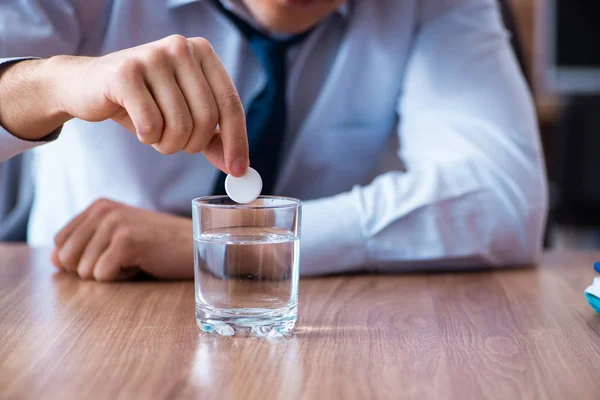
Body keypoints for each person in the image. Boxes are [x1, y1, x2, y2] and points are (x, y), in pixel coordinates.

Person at [0, 0, 547, 281]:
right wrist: (53, 81)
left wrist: (221, 243)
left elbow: (503, 200)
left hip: (326, 328)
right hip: (83, 313)